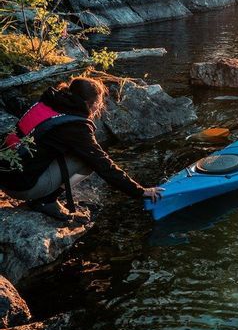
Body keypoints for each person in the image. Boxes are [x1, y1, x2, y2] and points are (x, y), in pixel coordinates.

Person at [0, 76, 162, 223]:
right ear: (87, 103)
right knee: (88, 161)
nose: (98, 107)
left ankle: (42, 195)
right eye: (98, 103)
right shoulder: (76, 127)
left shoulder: (48, 101)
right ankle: (45, 200)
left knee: (76, 151)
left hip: (6, 176)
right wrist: (140, 192)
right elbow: (103, 165)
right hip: (21, 188)